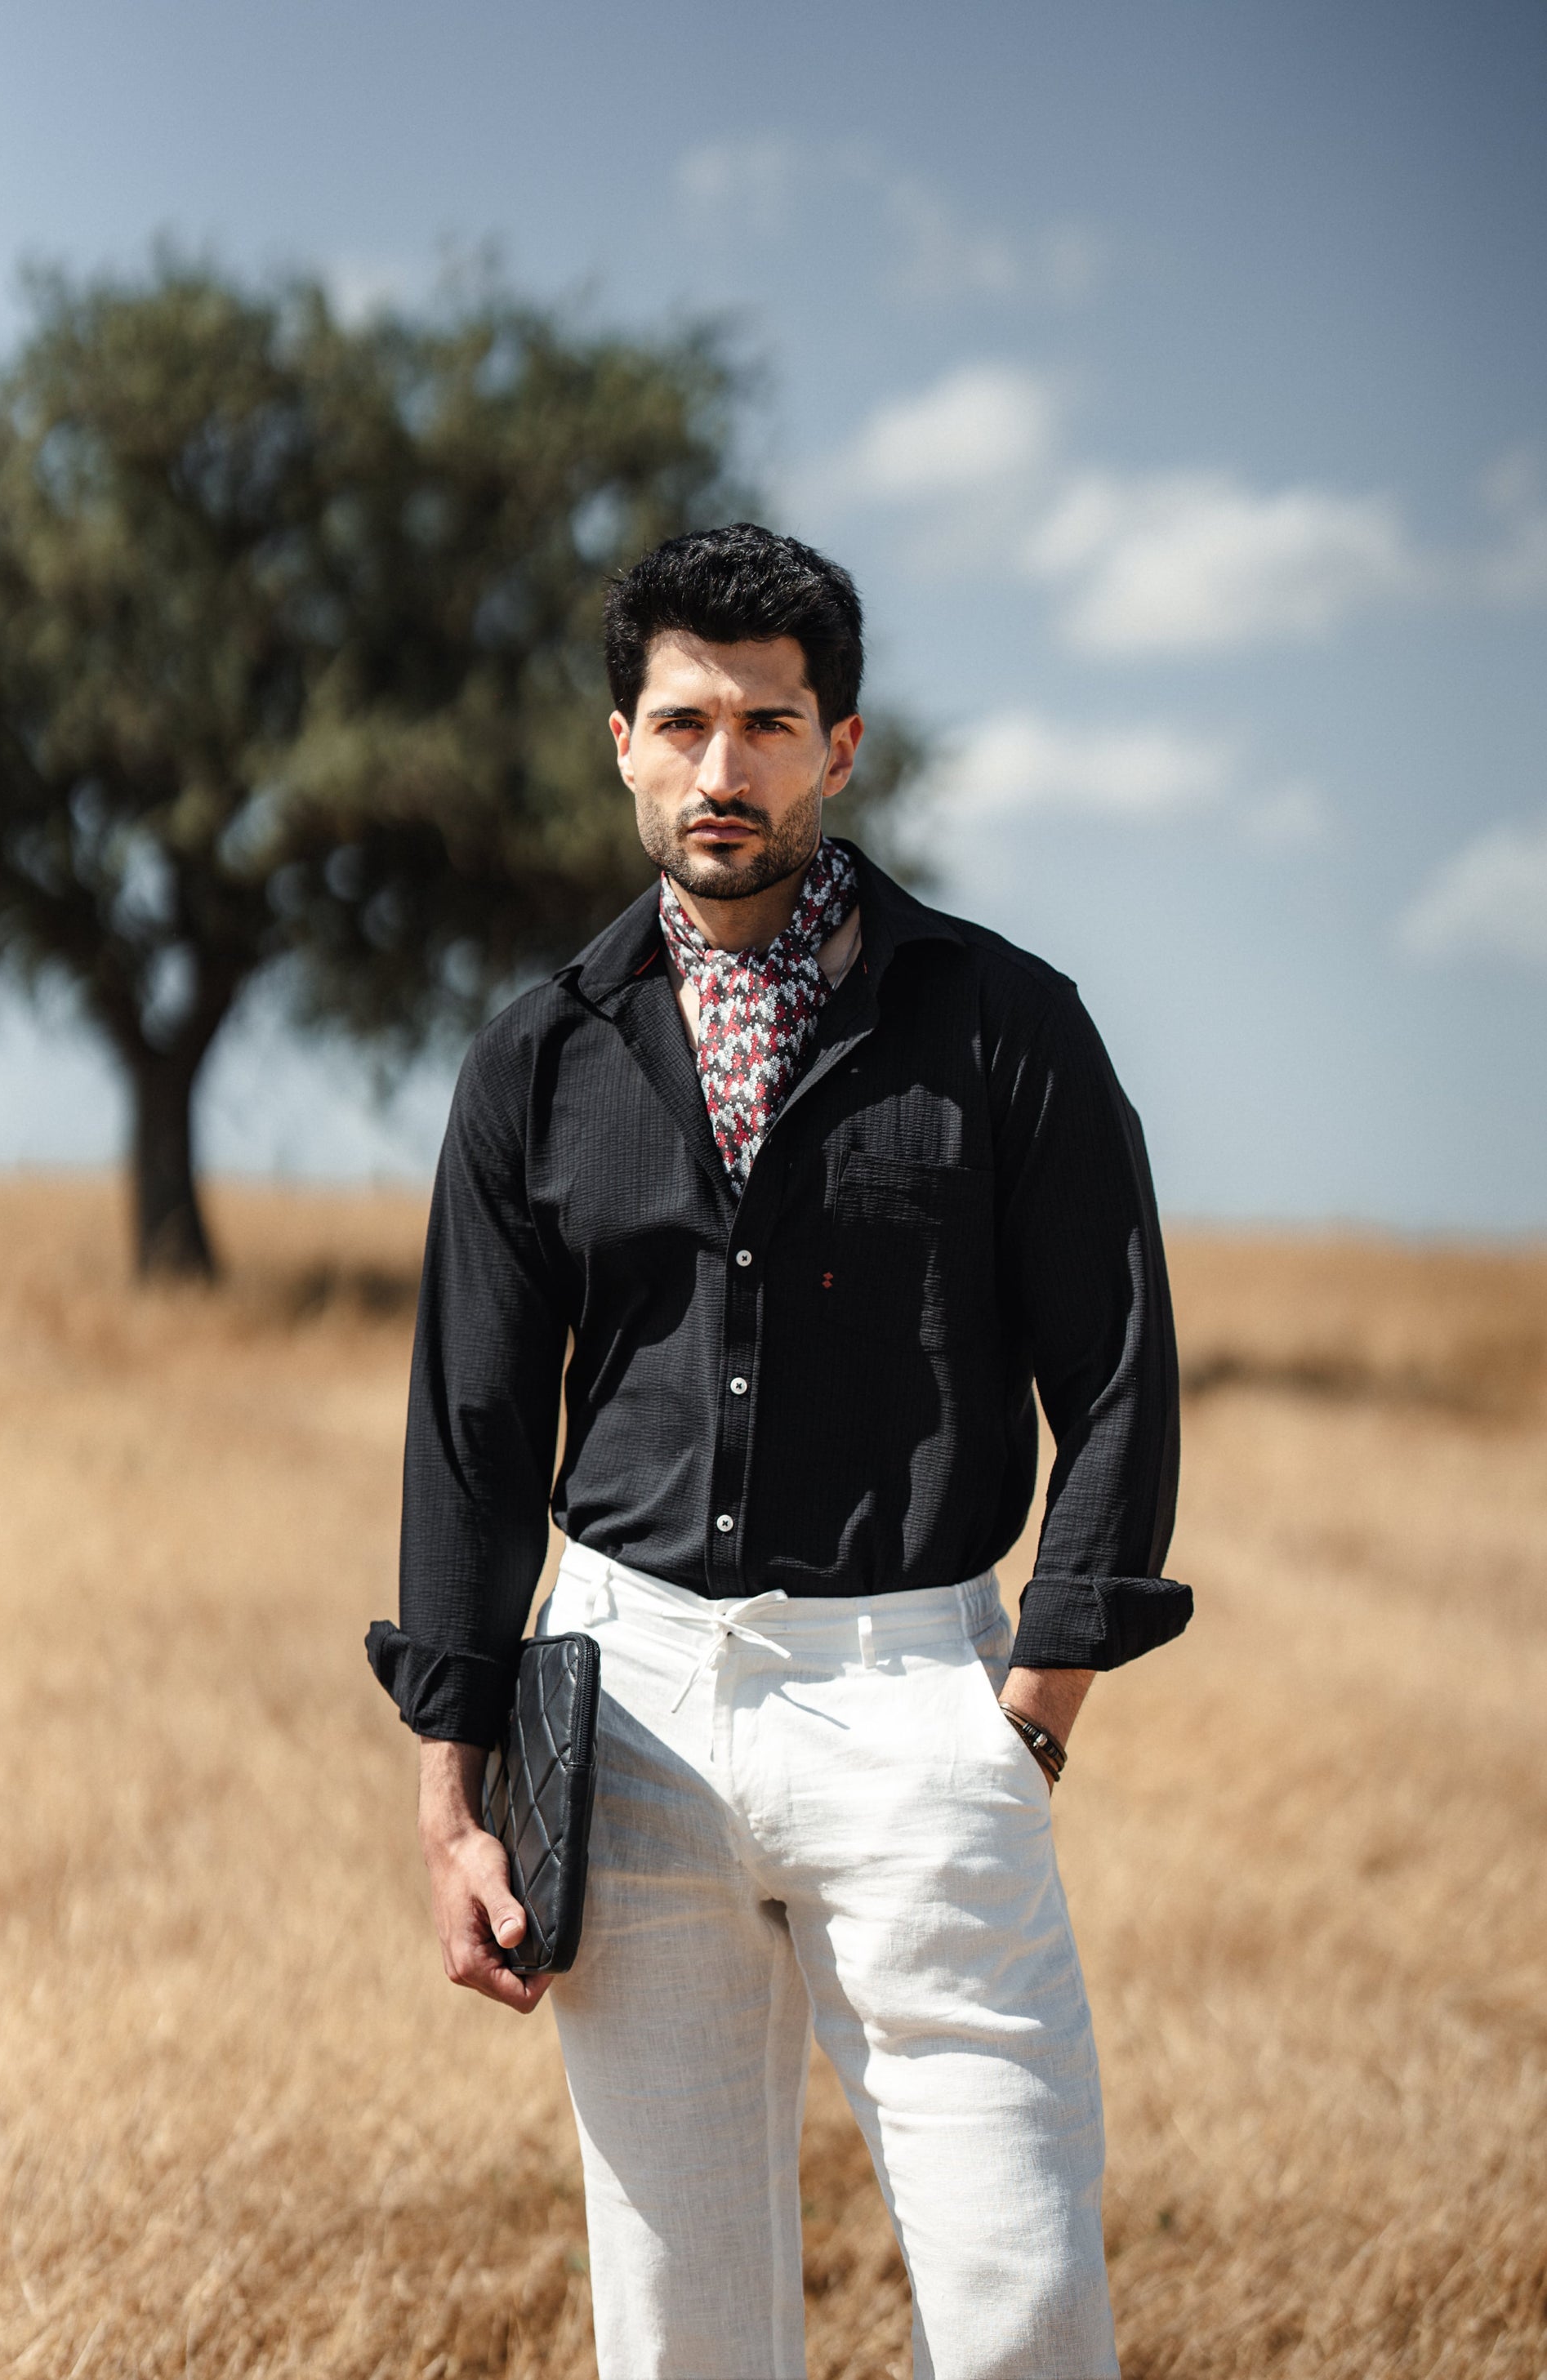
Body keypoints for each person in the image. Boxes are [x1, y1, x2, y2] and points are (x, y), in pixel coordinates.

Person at [368, 522, 1191, 2380]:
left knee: (1028, 2315)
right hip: (629, 1708)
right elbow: (475, 1437)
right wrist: (451, 1794)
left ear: (842, 748)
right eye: (682, 722)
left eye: (766, 721)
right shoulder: (534, 1062)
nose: (719, 766)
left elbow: (1121, 1372)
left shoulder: (1005, 1026)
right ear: (621, 743)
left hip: (919, 1702)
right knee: (680, 2339)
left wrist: (1031, 1704)